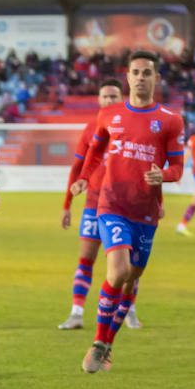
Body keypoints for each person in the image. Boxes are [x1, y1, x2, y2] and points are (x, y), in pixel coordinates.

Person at [77, 51, 184, 373]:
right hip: (111, 204)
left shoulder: (170, 120)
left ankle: (108, 344)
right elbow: (94, 151)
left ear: (156, 78)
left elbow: (178, 167)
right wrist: (84, 178)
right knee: (119, 270)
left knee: (130, 280)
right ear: (128, 78)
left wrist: (162, 176)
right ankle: (98, 342)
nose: (140, 77)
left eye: (146, 73)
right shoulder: (109, 114)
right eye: (135, 72)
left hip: (146, 210)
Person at [60, 78, 140, 331]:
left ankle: (128, 311)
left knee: (129, 265)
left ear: (122, 98)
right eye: (105, 96)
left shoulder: (133, 128)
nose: (109, 100)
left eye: (113, 96)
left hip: (127, 205)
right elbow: (77, 168)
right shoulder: (90, 129)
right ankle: (76, 313)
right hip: (94, 203)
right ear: (98, 99)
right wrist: (67, 204)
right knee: (86, 259)